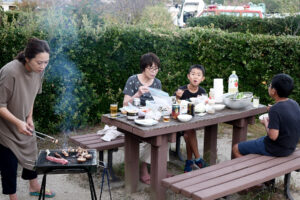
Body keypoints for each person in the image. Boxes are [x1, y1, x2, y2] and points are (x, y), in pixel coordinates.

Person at [0, 38, 55, 200]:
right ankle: (13, 196)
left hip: (23, 122)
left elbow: (31, 95)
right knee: (8, 163)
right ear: (28, 58)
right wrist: (18, 122)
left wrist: (29, 117)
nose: (43, 66)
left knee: (32, 152)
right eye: (40, 62)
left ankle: (34, 186)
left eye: (46, 62)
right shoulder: (10, 72)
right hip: (4, 127)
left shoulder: (39, 71)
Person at [233, 73, 300, 159]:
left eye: (270, 85)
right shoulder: (294, 103)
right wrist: (273, 110)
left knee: (236, 148)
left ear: (273, 91)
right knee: (258, 140)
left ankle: (248, 171)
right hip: (290, 147)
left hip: (276, 149)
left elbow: (273, 136)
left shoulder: (275, 110)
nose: (269, 87)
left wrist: (265, 122)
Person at [123, 52, 161, 185]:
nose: (154, 72)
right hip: (133, 118)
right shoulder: (133, 80)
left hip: (150, 118)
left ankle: (161, 168)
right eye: (151, 68)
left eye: (156, 69)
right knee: (150, 136)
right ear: (143, 67)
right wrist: (138, 94)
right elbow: (125, 104)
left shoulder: (157, 83)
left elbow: (158, 104)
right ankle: (144, 168)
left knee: (165, 133)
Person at [175, 64, 207, 172]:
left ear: (202, 79)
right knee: (188, 131)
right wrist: (177, 97)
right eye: (193, 74)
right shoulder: (182, 90)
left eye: (198, 75)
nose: (195, 77)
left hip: (196, 121)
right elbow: (174, 105)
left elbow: (204, 107)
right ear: (188, 76)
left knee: (188, 134)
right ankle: (198, 159)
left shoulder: (202, 92)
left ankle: (189, 161)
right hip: (180, 122)